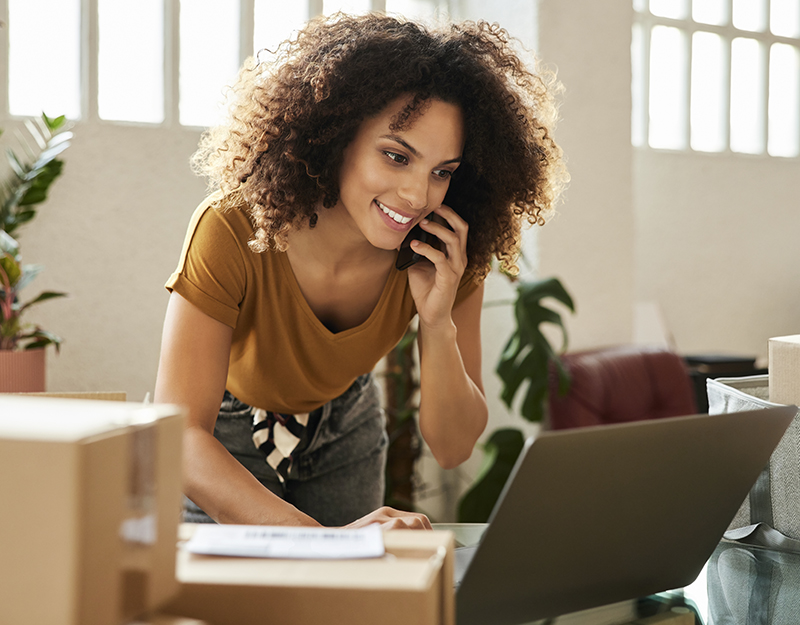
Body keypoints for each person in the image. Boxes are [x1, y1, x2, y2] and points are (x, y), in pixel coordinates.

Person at [154, 12, 567, 529]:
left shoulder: (446, 250)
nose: (418, 195)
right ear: (335, 136)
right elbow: (183, 433)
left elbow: (454, 447)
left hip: (346, 425)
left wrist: (437, 322)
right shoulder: (234, 227)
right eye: (396, 156)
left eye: (442, 172)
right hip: (222, 437)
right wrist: (324, 542)